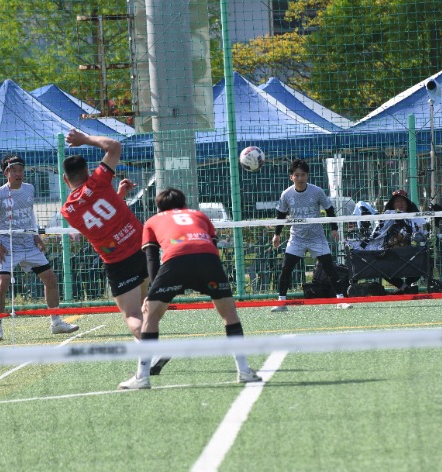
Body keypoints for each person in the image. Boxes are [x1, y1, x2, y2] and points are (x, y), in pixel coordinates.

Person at [118, 187, 262, 390]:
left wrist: (153, 293)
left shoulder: (152, 221)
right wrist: (214, 281)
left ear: (159, 208)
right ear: (184, 204)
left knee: (151, 317)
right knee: (229, 314)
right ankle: (244, 370)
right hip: (208, 261)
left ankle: (142, 377)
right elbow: (211, 248)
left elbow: (151, 258)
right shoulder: (200, 215)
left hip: (175, 262)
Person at [61, 129, 151, 348]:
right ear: (88, 171)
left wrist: (116, 196)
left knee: (132, 314)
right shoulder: (98, 182)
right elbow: (113, 146)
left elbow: (97, 220)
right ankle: (146, 350)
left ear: (65, 179)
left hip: (118, 261)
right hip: (142, 248)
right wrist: (84, 139)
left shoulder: (68, 211)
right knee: (144, 305)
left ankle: (152, 346)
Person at [0, 154, 79, 341]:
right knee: (2, 284)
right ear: (6, 173)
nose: (18, 174)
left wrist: (35, 234)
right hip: (8, 246)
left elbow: (30, 214)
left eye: (21, 170)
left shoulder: (29, 189)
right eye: (14, 170)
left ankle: (56, 322)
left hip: (29, 244)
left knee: (50, 278)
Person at [270, 159, 352, 312]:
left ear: (307, 175)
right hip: (297, 238)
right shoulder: (287, 194)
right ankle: (281, 302)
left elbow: (329, 209)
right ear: (291, 177)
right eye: (296, 175)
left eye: (303, 175)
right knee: (286, 268)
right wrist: (277, 234)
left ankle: (340, 300)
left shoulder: (317, 191)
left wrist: (334, 228)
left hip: (316, 237)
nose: (300, 178)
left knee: (330, 268)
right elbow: (281, 215)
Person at [364, 189, 427, 294]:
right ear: (392, 204)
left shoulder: (416, 218)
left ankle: (407, 285)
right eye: (397, 201)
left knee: (424, 257)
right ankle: (404, 287)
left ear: (407, 204)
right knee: (379, 264)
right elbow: (375, 236)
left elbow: (425, 234)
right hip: (390, 256)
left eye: (403, 201)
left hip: (411, 255)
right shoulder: (385, 219)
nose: (400, 204)